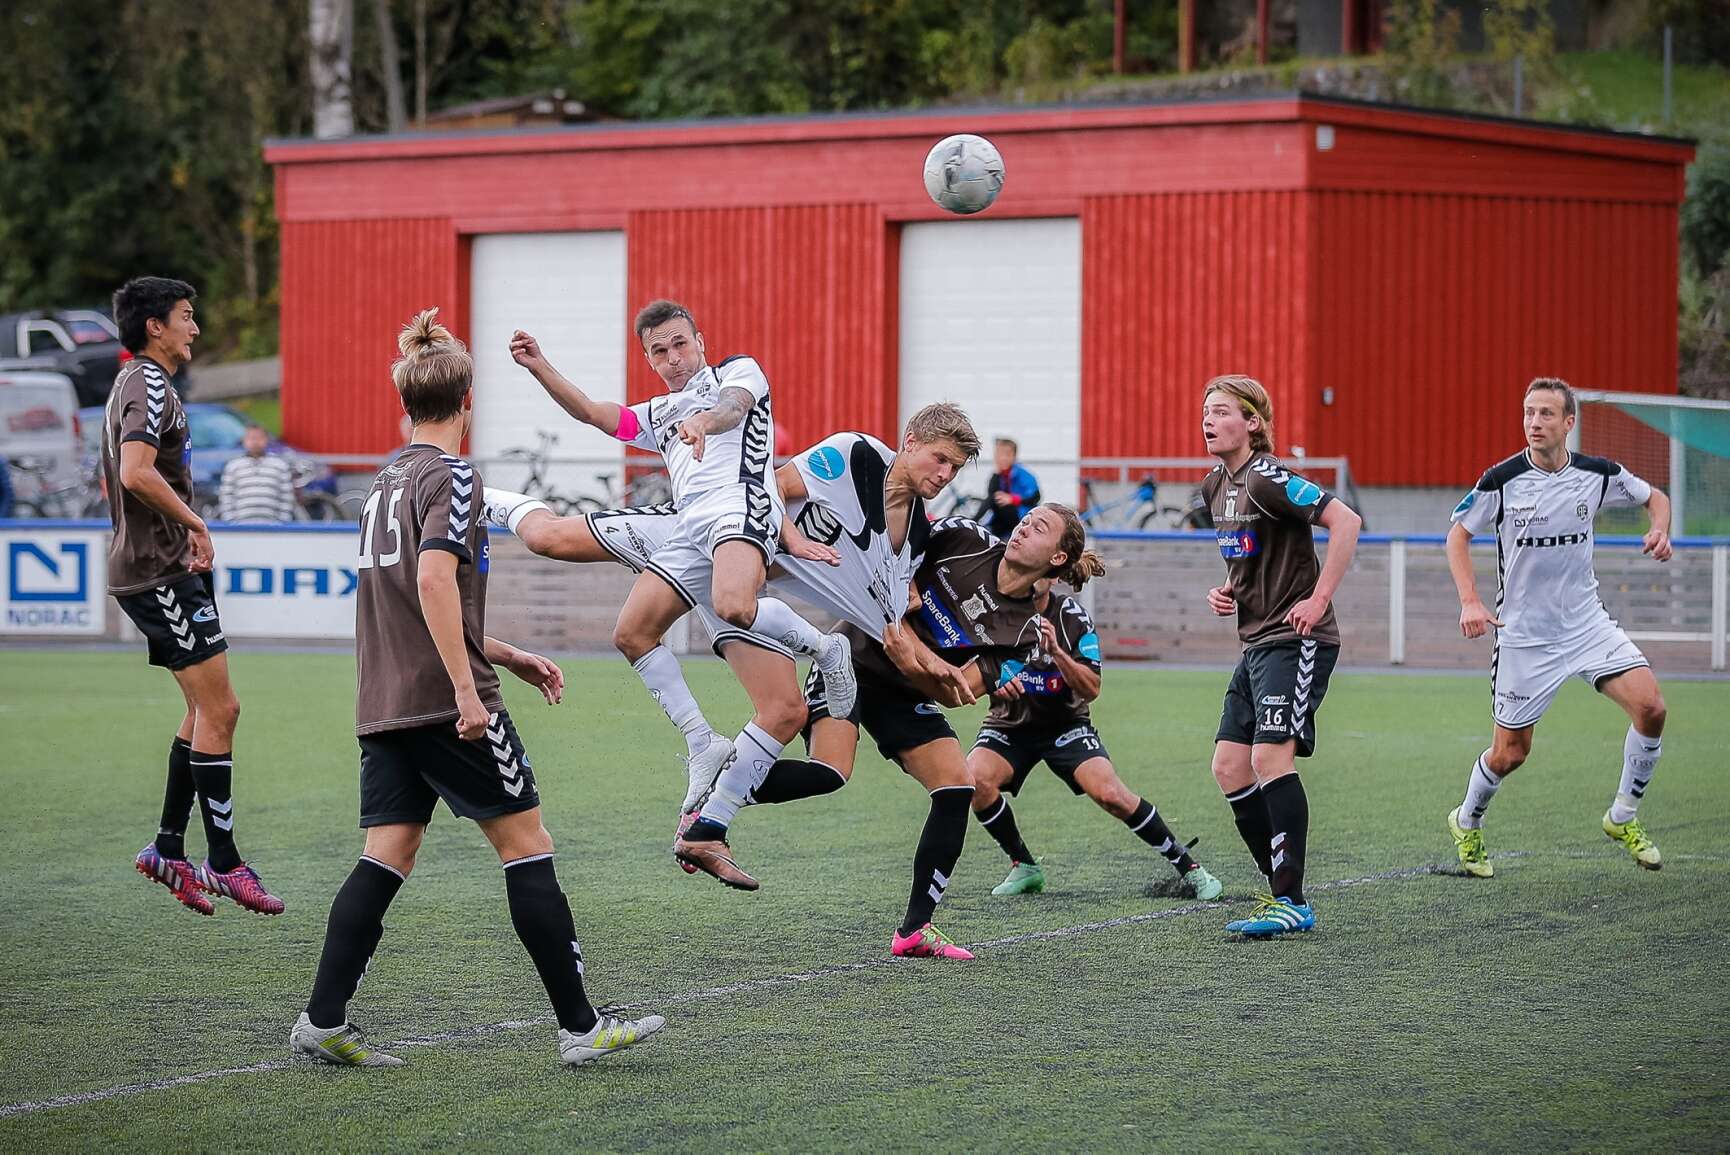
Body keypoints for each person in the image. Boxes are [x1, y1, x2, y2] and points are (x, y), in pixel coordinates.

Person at [290, 309, 662, 1069]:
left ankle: (322, 1020)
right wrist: (469, 690)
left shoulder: (383, 483)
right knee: (527, 845)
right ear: (467, 402)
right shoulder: (455, 476)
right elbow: (432, 581)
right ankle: (581, 1026)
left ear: (406, 404)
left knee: (388, 852)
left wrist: (507, 651)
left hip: (384, 701)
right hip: (443, 702)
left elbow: (411, 599)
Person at [482, 404, 982, 889]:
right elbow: (770, 488)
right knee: (551, 541)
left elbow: (891, 628)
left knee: (785, 711)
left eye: (955, 468)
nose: (945, 475)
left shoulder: (914, 534)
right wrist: (792, 539)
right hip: (705, 537)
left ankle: (707, 824)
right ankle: (476, 492)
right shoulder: (856, 456)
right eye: (940, 458)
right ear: (910, 441)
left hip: (742, 590)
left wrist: (941, 671)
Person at [507, 303, 855, 838]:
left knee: (734, 605)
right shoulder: (657, 414)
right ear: (648, 359)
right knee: (631, 634)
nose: (673, 358)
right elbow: (594, 414)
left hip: (742, 504)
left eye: (680, 344)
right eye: (659, 351)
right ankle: (702, 741)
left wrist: (703, 420)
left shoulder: (737, 372)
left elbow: (734, 408)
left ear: (700, 341)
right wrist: (540, 367)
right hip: (689, 525)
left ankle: (827, 649)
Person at [753, 505, 1103, 959]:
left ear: (1057, 558)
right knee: (829, 771)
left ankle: (915, 930)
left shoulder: (1026, 635)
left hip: (904, 691)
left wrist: (911, 658)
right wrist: (908, 584)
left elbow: (957, 693)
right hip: (851, 658)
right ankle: (724, 790)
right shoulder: (965, 537)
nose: (1023, 527)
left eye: (1039, 528)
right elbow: (893, 551)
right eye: (1026, 519)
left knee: (957, 786)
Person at [1444, 376, 1672, 878]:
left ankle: (1622, 816)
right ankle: (1467, 820)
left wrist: (1660, 527)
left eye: (1546, 413)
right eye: (1528, 413)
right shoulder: (1501, 480)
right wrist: (1470, 600)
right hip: (1525, 637)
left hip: (1587, 626)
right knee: (1510, 754)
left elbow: (1654, 496)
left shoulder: (1597, 474)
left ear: (1569, 422)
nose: (1534, 422)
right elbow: (1457, 536)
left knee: (1652, 708)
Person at [107, 276, 282, 917]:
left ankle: (168, 849)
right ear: (155, 325)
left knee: (203, 710)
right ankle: (224, 862)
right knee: (222, 708)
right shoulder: (147, 383)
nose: (196, 327)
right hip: (159, 572)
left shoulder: (140, 383)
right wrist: (195, 523)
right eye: (186, 316)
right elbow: (134, 472)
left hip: (162, 566)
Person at [1200, 374, 1360, 939]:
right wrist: (1229, 589)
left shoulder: (1268, 478)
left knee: (1270, 758)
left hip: (1296, 639)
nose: (1209, 419)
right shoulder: (1213, 486)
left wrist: (1319, 599)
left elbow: (1346, 521)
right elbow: (1250, 556)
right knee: (1229, 766)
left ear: (1253, 423)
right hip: (1257, 643)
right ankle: (1280, 889)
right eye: (1206, 411)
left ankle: (1290, 899)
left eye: (1222, 411)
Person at [967, 576, 1225, 901]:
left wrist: (1057, 653)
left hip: (1065, 726)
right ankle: (1025, 866)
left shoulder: (1073, 618)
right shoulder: (994, 609)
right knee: (973, 780)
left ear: (1054, 574)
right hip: (1008, 725)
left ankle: (1190, 868)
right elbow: (964, 659)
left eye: (1039, 569)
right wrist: (991, 679)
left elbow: (1092, 688)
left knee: (1111, 794)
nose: (1031, 577)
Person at [218, 423, 297, 523]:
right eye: (251, 438)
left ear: (267, 440)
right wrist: (231, 523)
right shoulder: (233, 466)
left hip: (273, 526)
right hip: (239, 526)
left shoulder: (280, 465)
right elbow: (226, 496)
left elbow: (287, 497)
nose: (255, 442)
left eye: (260, 438)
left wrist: (281, 523)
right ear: (244, 440)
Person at [979, 437, 1040, 538]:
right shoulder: (999, 475)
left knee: (998, 500)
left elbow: (1035, 497)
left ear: (1014, 457)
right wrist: (996, 474)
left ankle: (972, 523)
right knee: (995, 499)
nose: (1002, 458)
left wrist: (1012, 499)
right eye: (999, 455)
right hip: (1003, 518)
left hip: (1022, 516)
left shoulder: (1023, 474)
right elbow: (991, 495)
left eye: (1007, 455)